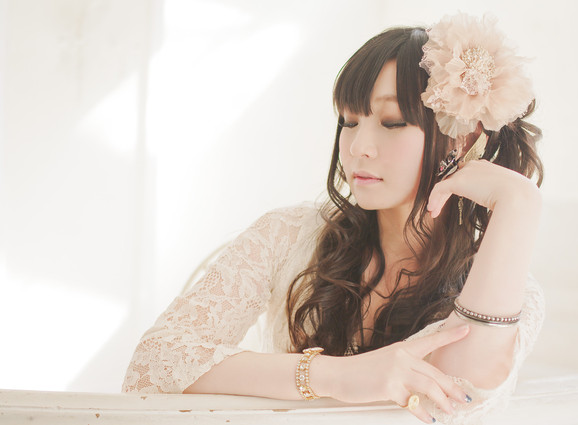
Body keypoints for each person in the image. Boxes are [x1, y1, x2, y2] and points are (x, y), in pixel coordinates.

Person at [123, 13, 545, 425]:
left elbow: (457, 402)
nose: (358, 146)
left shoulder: (509, 292)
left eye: (392, 122)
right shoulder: (286, 235)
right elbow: (152, 365)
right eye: (349, 120)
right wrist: (337, 377)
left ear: (462, 138)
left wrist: (519, 202)